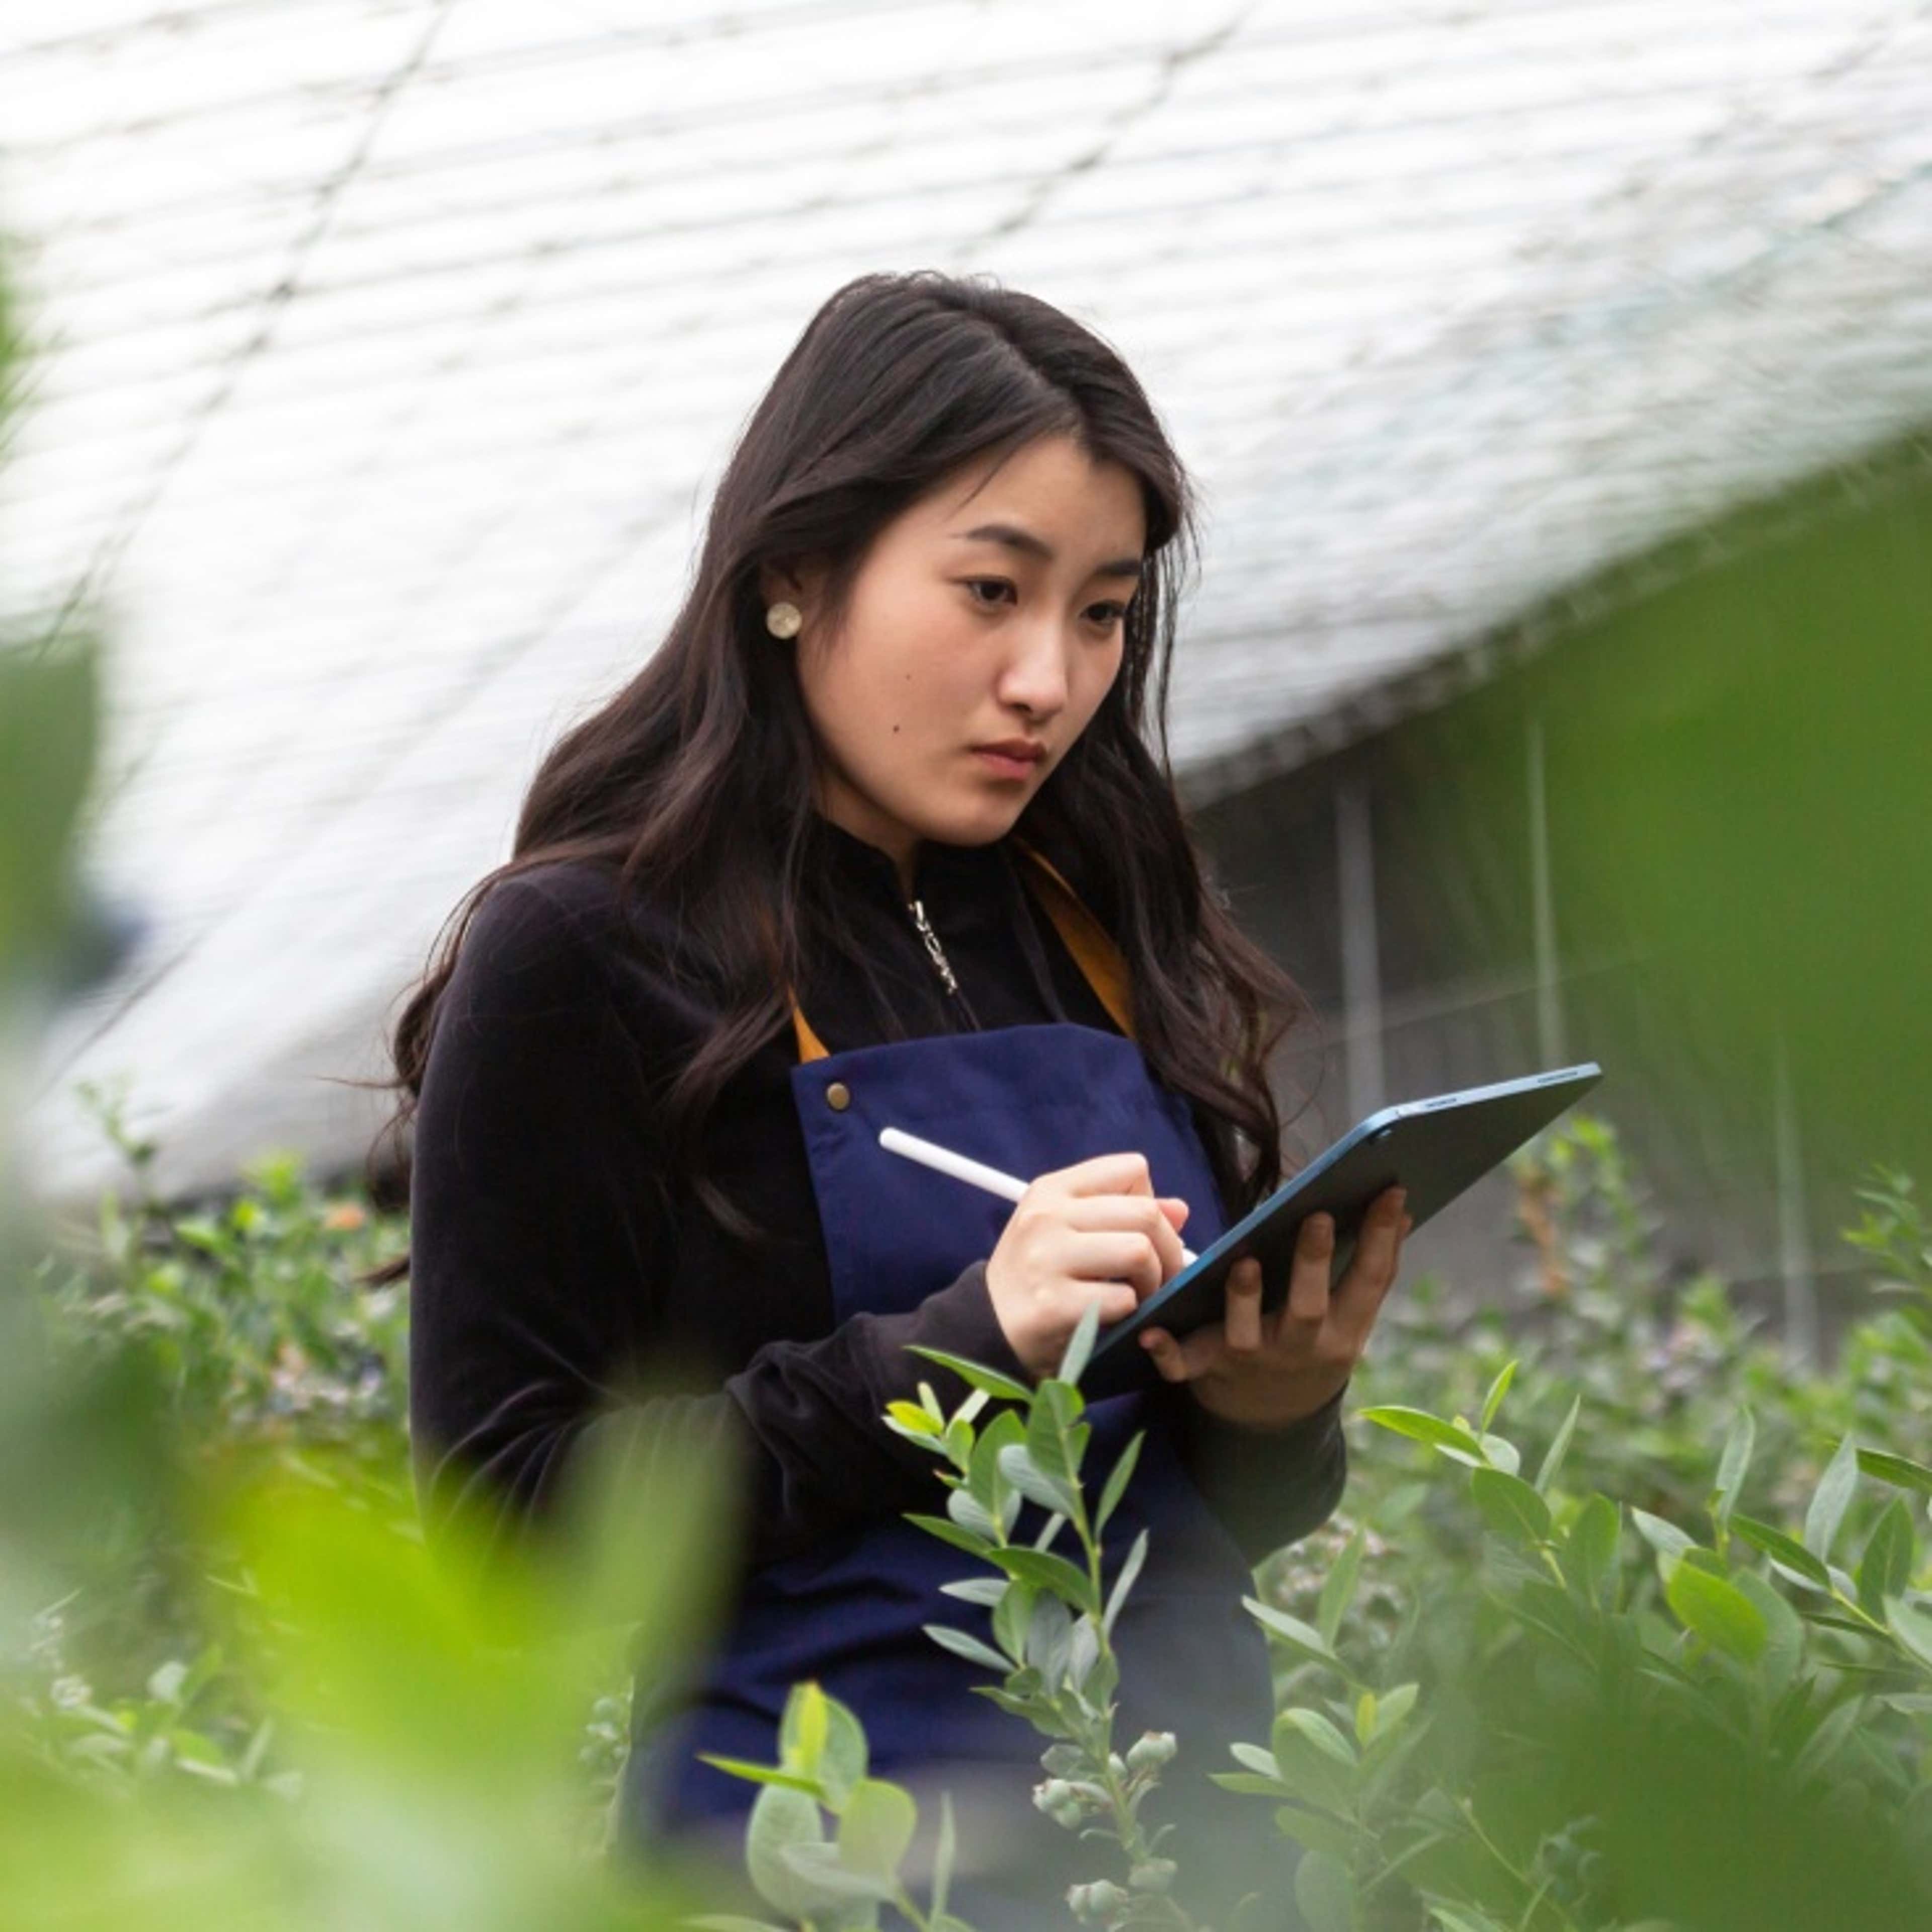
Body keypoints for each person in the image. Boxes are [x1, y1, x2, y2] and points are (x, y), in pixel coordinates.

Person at [371, 269, 1410, 1924]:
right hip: (819, 1879)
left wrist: (1276, 1409)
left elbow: (1202, 1532)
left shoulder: (1101, 918)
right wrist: (953, 1353)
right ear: (796, 572)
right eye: (992, 591)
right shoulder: (588, 951)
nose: (1048, 679)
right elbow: (503, 1531)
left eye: (1101, 612)